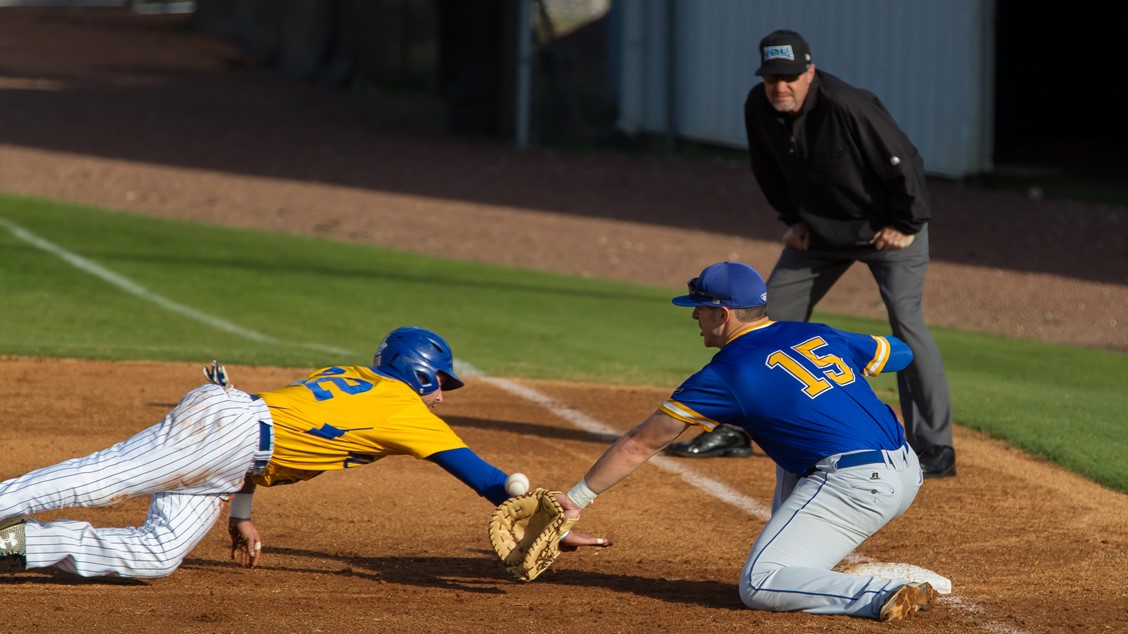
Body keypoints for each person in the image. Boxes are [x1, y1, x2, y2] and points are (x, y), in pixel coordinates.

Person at [0, 326, 607, 577]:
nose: (440, 397)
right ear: (420, 375)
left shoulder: (356, 378)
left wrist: (239, 514)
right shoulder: (402, 409)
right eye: (439, 384)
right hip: (230, 430)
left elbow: (274, 440)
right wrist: (550, 514)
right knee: (97, 481)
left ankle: (15, 544)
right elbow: (482, 476)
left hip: (232, 444)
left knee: (158, 555)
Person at [556, 261, 938, 622]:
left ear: (723, 315)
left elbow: (640, 443)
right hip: (905, 468)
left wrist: (576, 499)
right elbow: (901, 352)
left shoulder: (725, 373)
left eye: (700, 308)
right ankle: (799, 555)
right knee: (788, 446)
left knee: (760, 583)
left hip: (854, 487)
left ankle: (881, 594)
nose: (694, 316)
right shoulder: (814, 332)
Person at [742, 29, 955, 478]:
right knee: (763, 318)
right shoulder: (759, 107)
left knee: (906, 320)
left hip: (886, 231)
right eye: (771, 77)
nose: (780, 86)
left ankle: (934, 446)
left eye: (790, 76)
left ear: (809, 72)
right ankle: (740, 428)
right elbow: (766, 168)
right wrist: (791, 219)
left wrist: (907, 223)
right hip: (819, 234)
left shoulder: (848, 105)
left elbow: (904, 161)